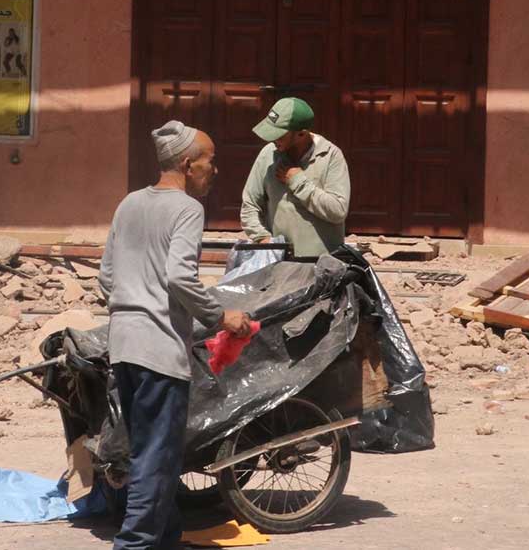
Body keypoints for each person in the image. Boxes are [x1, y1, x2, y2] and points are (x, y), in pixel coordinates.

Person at [99, 120, 251, 550]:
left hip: (124, 346)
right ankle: (135, 544)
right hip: (159, 351)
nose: (213, 170)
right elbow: (180, 279)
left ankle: (165, 537)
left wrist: (133, 301)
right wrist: (221, 317)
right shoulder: (187, 209)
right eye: (210, 161)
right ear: (187, 164)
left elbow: (107, 278)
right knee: (155, 456)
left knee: (152, 450)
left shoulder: (129, 203)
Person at [240, 97, 351, 258]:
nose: (273, 139)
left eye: (279, 135)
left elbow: (338, 211)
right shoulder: (267, 154)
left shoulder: (330, 156)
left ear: (301, 134)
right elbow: (250, 205)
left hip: (322, 265)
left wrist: (298, 181)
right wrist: (263, 239)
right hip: (279, 263)